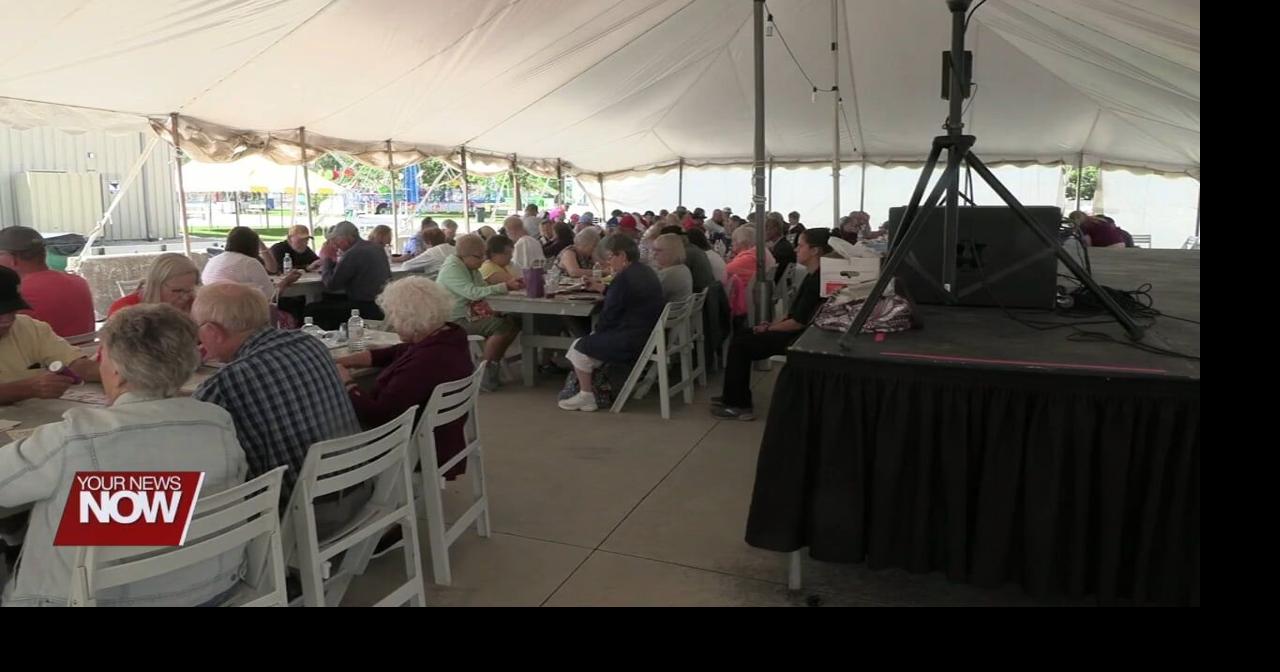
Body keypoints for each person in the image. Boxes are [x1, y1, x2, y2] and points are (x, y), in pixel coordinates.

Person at [0, 304, 248, 607]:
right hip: (208, 589)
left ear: (116, 370)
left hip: (91, 599)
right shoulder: (218, 423)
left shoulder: (75, 437)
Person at [192, 282, 360, 500]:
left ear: (213, 332)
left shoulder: (223, 385)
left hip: (301, 515)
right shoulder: (310, 343)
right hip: (356, 485)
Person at [334, 277, 472, 481]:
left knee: (329, 430)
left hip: (418, 448)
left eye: (394, 318)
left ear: (411, 320)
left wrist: (347, 382)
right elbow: (399, 351)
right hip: (445, 438)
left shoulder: (426, 361)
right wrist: (349, 360)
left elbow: (377, 414)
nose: (392, 324)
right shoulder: (449, 336)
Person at [712, 229, 833, 420]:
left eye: (801, 246)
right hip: (802, 332)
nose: (796, 249)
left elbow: (797, 323)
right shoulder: (815, 275)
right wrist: (771, 324)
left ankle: (738, 405)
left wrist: (769, 328)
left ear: (815, 251)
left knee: (741, 345)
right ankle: (732, 396)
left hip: (800, 337)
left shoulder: (816, 280)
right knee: (742, 336)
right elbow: (794, 315)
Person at [558, 235, 665, 412]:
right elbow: (625, 298)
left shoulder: (623, 279)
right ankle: (588, 393)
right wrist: (602, 288)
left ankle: (586, 395)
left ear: (622, 255)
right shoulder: (644, 271)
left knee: (578, 347)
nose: (608, 263)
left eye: (610, 258)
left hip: (631, 340)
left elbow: (609, 315)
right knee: (585, 342)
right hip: (647, 335)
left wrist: (596, 334)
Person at [0, 267, 100, 405]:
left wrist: (119, 374)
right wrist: (25, 389)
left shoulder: (30, 327)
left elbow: (74, 363)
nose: (7, 320)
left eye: (12, 311)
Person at [436, 235, 523, 392]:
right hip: (452, 320)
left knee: (514, 322)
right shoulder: (452, 269)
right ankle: (485, 372)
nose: (483, 260)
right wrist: (504, 287)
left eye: (484, 255)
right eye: (479, 256)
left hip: (469, 315)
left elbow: (483, 289)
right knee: (501, 326)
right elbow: (473, 293)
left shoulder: (471, 267)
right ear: (464, 255)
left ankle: (491, 364)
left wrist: (505, 288)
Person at [0, 226, 94, 339]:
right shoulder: (79, 283)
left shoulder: (14, 292)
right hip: (82, 351)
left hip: (41, 355)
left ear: (12, 259)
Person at [305, 220, 392, 329]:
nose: (335, 244)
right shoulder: (377, 248)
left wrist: (326, 260)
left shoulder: (353, 253)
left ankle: (324, 340)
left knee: (311, 309)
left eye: (337, 240)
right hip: (382, 304)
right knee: (329, 300)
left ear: (348, 237)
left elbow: (331, 285)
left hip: (364, 307)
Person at [202, 227, 300, 301]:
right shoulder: (249, 263)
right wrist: (286, 281)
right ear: (253, 245)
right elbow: (271, 296)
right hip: (245, 315)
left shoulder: (213, 260)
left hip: (217, 313)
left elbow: (272, 269)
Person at [108, 253, 201, 317]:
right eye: (177, 291)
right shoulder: (125, 310)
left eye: (189, 290)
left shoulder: (197, 305)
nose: (185, 297)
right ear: (156, 285)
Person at [653, 233, 693, 302]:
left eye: (659, 250)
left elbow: (649, 296)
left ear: (671, 251)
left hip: (664, 312)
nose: (654, 254)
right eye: (654, 250)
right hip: (680, 311)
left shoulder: (669, 274)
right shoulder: (683, 268)